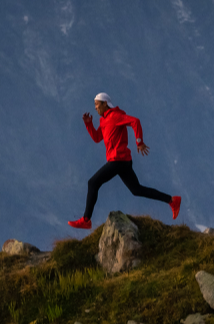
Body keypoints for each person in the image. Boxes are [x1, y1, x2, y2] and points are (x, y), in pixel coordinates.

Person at [68, 92, 181, 229]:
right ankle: (172, 200)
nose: (95, 108)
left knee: (93, 183)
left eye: (97, 105)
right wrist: (89, 124)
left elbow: (135, 121)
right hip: (123, 161)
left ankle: (86, 220)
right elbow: (98, 138)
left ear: (105, 104)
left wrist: (139, 141)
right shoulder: (103, 120)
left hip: (118, 160)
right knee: (137, 190)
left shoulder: (115, 116)